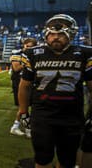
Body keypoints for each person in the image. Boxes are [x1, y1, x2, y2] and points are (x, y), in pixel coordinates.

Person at [18, 14, 92, 168]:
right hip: (43, 116)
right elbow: (24, 85)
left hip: (72, 116)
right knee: (42, 159)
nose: (55, 38)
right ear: (46, 34)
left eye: (61, 34)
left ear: (71, 35)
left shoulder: (85, 54)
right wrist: (23, 111)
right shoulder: (33, 54)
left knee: (67, 161)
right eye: (52, 34)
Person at [9, 37, 37, 137]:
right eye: (27, 46)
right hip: (19, 82)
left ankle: (18, 126)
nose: (29, 48)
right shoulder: (17, 54)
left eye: (31, 47)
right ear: (24, 45)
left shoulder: (35, 54)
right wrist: (28, 62)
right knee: (23, 106)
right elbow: (16, 68)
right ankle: (25, 128)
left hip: (32, 82)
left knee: (33, 106)